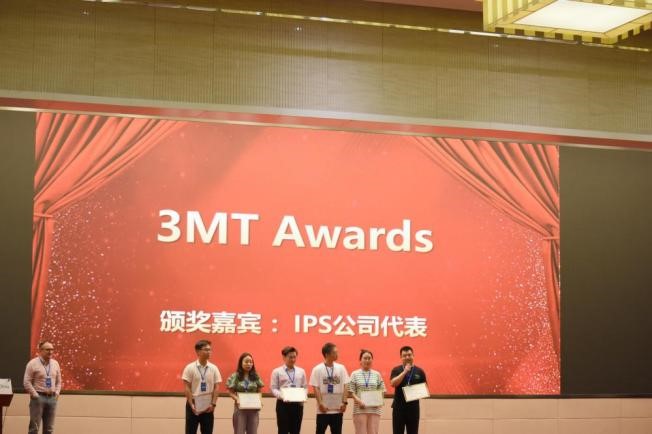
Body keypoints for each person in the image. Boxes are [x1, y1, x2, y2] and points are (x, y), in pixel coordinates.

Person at [182, 339, 222, 434]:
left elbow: (217, 387)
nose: (209, 352)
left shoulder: (214, 368)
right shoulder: (190, 367)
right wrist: (191, 404)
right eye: (206, 350)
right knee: (190, 431)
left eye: (210, 350)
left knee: (207, 431)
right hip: (193, 404)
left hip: (208, 406)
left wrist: (213, 404)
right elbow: (187, 387)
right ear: (198, 351)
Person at [309, 342, 350, 434]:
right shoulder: (317, 369)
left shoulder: (341, 368)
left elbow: (346, 385)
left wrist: (344, 402)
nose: (337, 354)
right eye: (335, 352)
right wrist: (320, 404)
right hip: (323, 410)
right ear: (327, 354)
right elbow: (316, 387)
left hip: (338, 409)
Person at [23, 341, 62, 434]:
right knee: (34, 428)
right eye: (48, 349)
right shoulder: (32, 363)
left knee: (49, 429)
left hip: (52, 398)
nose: (50, 352)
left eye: (52, 349)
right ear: (40, 350)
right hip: (38, 398)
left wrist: (56, 393)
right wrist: (35, 395)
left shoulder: (55, 363)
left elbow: (59, 382)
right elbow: (26, 382)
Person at [270, 346, 308, 434]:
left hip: (297, 405)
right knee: (283, 431)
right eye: (290, 357)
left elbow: (305, 387)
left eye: (294, 357)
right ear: (284, 357)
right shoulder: (277, 371)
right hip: (283, 405)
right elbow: (273, 388)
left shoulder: (301, 371)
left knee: (296, 431)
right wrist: (283, 396)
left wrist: (304, 396)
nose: (293, 359)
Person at [389, 346, 427, 434]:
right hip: (399, 408)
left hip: (413, 409)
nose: (407, 357)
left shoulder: (420, 371)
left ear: (413, 355)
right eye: (404, 355)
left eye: (409, 355)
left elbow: (424, 390)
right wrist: (405, 371)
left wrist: (415, 392)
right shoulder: (396, 369)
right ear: (401, 357)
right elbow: (393, 383)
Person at [226, 352, 265, 434]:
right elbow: (230, 392)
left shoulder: (255, 376)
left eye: (251, 362)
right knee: (239, 431)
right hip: (240, 408)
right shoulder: (235, 376)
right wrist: (237, 399)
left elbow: (259, 391)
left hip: (253, 409)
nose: (249, 364)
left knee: (253, 432)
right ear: (241, 363)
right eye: (246, 362)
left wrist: (260, 401)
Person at [349, 349, 385, 434]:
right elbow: (351, 391)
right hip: (359, 409)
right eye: (365, 358)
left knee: (373, 432)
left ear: (372, 360)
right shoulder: (354, 374)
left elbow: (383, 390)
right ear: (360, 360)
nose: (367, 360)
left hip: (374, 410)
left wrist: (379, 401)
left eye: (369, 358)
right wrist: (359, 401)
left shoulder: (377, 374)